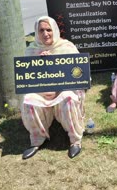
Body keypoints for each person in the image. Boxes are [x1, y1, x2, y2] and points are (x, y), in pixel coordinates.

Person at [20, 16, 86, 160]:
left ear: (54, 30)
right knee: (29, 101)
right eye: (41, 30)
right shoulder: (31, 50)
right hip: (41, 90)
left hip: (63, 89)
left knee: (68, 98)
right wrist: (39, 62)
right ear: (36, 32)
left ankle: (75, 140)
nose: (45, 34)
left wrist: (55, 62)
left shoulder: (67, 47)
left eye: (48, 30)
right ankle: (37, 139)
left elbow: (79, 74)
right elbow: (27, 78)